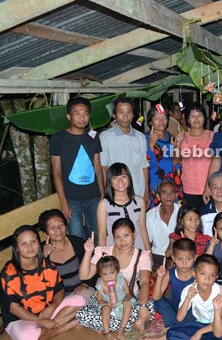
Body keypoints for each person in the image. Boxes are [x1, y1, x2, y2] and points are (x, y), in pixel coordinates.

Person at [0, 225, 84, 340]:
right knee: (26, 337)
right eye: (24, 244)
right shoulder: (9, 274)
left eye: (33, 241)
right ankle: (63, 328)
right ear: (16, 248)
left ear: (39, 244)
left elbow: (59, 290)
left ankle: (43, 331)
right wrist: (40, 321)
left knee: (80, 300)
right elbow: (14, 308)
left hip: (47, 312)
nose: (29, 247)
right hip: (20, 319)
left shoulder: (47, 266)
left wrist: (53, 306)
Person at [77, 218, 155, 332]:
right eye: (117, 237)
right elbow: (84, 276)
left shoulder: (142, 256)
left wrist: (143, 306)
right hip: (105, 299)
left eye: (126, 235)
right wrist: (88, 253)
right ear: (113, 238)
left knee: (149, 309)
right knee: (81, 314)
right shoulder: (104, 252)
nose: (122, 241)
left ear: (134, 234)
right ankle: (129, 325)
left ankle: (105, 324)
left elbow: (144, 283)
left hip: (128, 298)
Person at [50, 96, 103, 240]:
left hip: (94, 197)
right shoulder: (58, 138)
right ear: (69, 116)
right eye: (77, 114)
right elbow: (56, 172)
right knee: (76, 237)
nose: (82, 118)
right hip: (72, 199)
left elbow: (97, 169)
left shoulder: (94, 137)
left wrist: (102, 196)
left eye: (85, 114)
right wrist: (63, 202)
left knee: (98, 235)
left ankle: (98, 262)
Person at [164, 255, 222, 340]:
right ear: (194, 273)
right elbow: (180, 318)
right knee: (171, 334)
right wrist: (188, 298)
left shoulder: (220, 293)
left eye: (212, 275)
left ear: (216, 277)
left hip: (217, 327)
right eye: (203, 273)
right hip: (199, 324)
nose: (207, 279)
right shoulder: (189, 290)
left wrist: (199, 333)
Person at [39, 209, 95, 299]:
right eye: (52, 227)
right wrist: (42, 258)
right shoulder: (41, 251)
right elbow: (35, 279)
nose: (58, 230)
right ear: (45, 233)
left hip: (82, 292)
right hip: (58, 297)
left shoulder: (78, 243)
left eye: (61, 225)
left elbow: (94, 265)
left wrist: (86, 283)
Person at [99, 97, 149, 199]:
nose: (125, 116)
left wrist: (146, 193)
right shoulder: (105, 137)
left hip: (138, 192)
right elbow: (103, 168)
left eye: (128, 112)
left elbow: (144, 167)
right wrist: (107, 193)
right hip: (115, 194)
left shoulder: (140, 137)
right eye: (121, 112)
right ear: (114, 115)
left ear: (133, 115)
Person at [97, 163, 150, 251]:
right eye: (115, 178)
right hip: (114, 250)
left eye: (123, 176)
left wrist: (149, 253)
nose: (120, 181)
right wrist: (101, 257)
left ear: (129, 178)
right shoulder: (104, 204)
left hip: (138, 248)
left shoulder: (140, 201)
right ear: (109, 181)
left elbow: (143, 229)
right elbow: (102, 234)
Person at [150, 238, 196, 333]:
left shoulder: (198, 273)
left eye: (188, 259)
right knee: (158, 302)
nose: (184, 263)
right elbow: (156, 297)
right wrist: (159, 277)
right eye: (180, 259)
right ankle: (175, 325)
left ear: (195, 258)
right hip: (175, 307)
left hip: (190, 308)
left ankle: (174, 328)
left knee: (195, 311)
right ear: (173, 258)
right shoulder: (170, 273)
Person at [176, 103, 214, 209]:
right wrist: (178, 143)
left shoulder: (213, 136)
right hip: (189, 189)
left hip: (211, 188)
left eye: (199, 115)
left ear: (204, 118)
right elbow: (175, 161)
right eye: (192, 116)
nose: (196, 119)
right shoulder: (182, 137)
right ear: (187, 120)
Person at [145, 104, 182, 207]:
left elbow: (175, 162)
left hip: (174, 183)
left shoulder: (172, 138)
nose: (161, 121)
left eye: (164, 118)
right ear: (150, 121)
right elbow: (150, 165)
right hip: (156, 186)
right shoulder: (145, 139)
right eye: (157, 118)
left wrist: (178, 144)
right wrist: (151, 146)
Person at [95, 255, 132, 340]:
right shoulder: (100, 285)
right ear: (100, 275)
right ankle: (107, 333)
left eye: (112, 273)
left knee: (128, 305)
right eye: (105, 274)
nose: (109, 277)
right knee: (105, 309)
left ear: (117, 271)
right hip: (109, 304)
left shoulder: (122, 280)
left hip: (121, 303)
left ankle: (121, 329)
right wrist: (107, 303)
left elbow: (128, 294)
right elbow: (99, 299)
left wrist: (125, 300)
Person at [145, 180, 180, 270]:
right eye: (164, 193)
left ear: (176, 195)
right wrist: (149, 260)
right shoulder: (150, 215)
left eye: (172, 192)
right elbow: (147, 241)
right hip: (157, 255)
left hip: (179, 255)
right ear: (158, 196)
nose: (168, 196)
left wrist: (174, 259)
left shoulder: (182, 211)